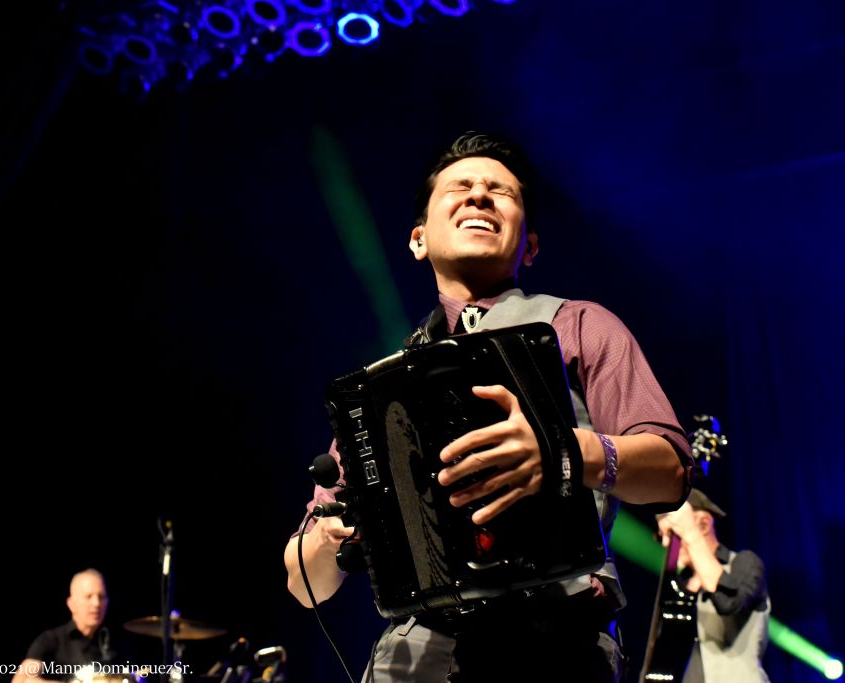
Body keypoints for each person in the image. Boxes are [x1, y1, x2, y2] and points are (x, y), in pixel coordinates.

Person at [284, 132, 694, 682]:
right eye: (460, 187)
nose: (479, 195)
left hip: (556, 641)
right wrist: (329, 538)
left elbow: (671, 471)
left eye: (501, 192)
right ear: (418, 240)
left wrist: (563, 453)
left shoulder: (580, 326)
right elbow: (303, 584)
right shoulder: (381, 390)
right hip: (414, 653)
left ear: (530, 246)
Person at [654, 488, 771, 682]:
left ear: (703, 524)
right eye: (661, 537)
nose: (666, 544)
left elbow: (728, 601)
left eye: (672, 534)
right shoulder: (678, 589)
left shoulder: (744, 563)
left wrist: (690, 533)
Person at [12, 569, 127, 683]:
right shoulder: (50, 640)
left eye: (101, 597)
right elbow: (21, 680)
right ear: (71, 603)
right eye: (88, 596)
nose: (96, 603)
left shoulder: (119, 643)